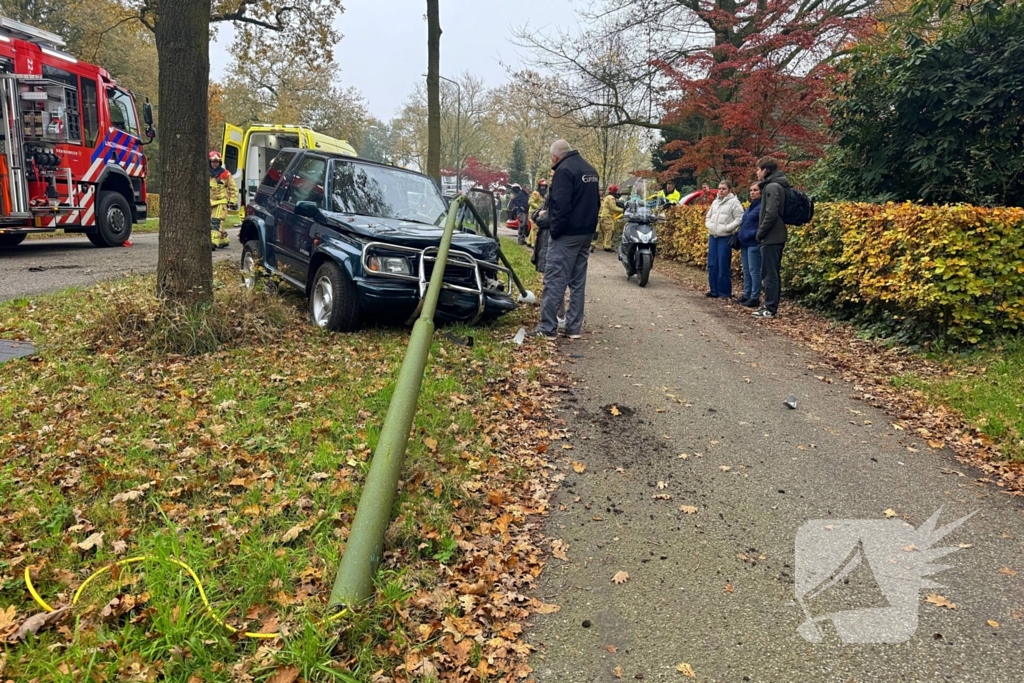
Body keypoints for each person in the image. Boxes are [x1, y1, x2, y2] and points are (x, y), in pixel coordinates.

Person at [535, 139, 600, 340]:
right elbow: (595, 203)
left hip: (567, 235)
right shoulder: (590, 170)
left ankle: (548, 328)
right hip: (585, 234)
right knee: (577, 282)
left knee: (555, 279)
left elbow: (561, 206)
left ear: (556, 157)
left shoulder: (564, 171)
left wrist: (555, 231)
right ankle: (573, 328)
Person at [754, 156, 790, 319]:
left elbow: (771, 213)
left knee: (770, 273)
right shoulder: (773, 185)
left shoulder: (772, 187)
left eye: (758, 169)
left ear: (766, 170)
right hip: (772, 236)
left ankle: (770, 308)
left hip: (772, 236)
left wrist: (760, 232)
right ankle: (768, 305)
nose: (756, 172)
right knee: (769, 272)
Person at [704, 179, 744, 298]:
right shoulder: (715, 202)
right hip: (713, 236)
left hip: (725, 237)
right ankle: (714, 290)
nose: (721, 191)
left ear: (729, 190)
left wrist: (727, 228)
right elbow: (708, 216)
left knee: (723, 264)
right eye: (719, 188)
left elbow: (739, 218)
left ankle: (724, 292)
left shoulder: (734, 203)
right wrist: (710, 225)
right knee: (712, 264)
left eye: (724, 189)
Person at [737, 182, 762, 308]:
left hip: (753, 243)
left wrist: (752, 234)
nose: (752, 192)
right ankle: (746, 294)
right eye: (751, 190)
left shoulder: (762, 207)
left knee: (754, 271)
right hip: (744, 243)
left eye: (755, 190)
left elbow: (762, 225)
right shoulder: (750, 206)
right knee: (746, 270)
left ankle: (754, 296)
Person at [209, 150, 238, 250]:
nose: (214, 163)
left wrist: (233, 201)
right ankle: (223, 239)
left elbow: (233, 188)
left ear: (220, 162)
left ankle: (212, 243)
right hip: (209, 202)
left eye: (216, 161)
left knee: (216, 221)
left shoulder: (225, 174)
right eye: (213, 161)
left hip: (221, 202)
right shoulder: (206, 173)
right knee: (211, 222)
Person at [597, 185, 623, 252]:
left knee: (606, 232)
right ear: (615, 191)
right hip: (607, 216)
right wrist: (623, 210)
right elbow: (613, 208)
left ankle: (605, 245)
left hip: (605, 216)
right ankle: (607, 247)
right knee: (609, 232)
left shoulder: (608, 197)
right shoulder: (611, 198)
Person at [527, 179, 548, 247]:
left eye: (544, 186)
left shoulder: (544, 195)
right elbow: (530, 202)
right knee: (535, 228)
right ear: (539, 186)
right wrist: (539, 208)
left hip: (539, 213)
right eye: (542, 186)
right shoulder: (536, 193)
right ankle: (534, 244)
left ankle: (529, 241)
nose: (543, 187)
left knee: (533, 228)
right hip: (533, 213)